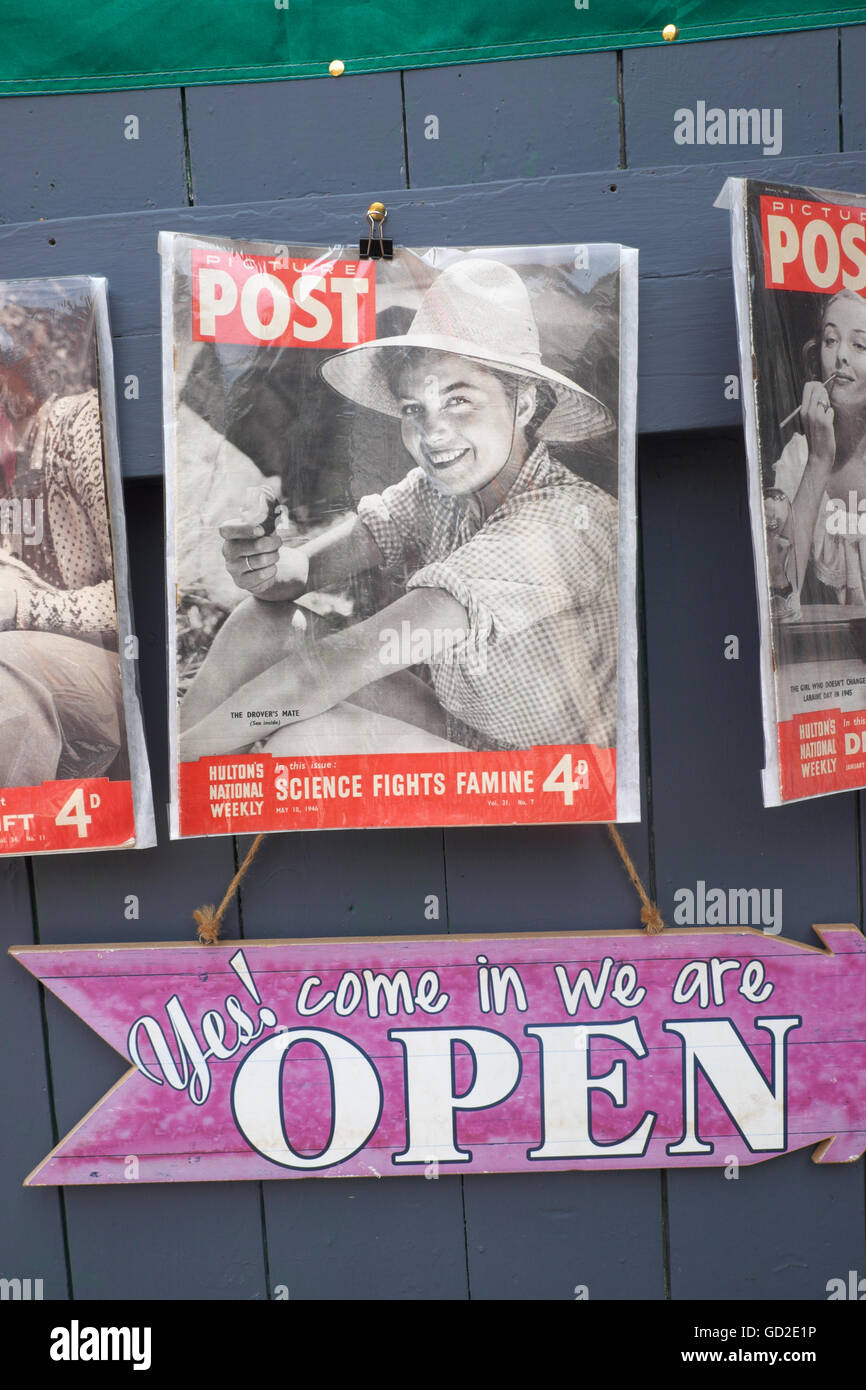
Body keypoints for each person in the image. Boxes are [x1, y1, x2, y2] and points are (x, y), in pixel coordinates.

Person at [178, 258, 619, 760]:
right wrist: (261, 560)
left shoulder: (559, 523)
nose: (433, 433)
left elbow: (333, 668)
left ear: (523, 404)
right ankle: (168, 776)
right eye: (414, 409)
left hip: (545, 777)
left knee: (308, 736)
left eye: (458, 400)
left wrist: (187, 758)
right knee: (260, 623)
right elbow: (297, 575)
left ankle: (174, 775)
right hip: (464, 732)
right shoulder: (439, 494)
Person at [0, 332, 124, 787]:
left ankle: (22, 822)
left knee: (6, 662)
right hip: (36, 679)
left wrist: (24, 607)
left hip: (123, 675)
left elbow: (145, 597)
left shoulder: (81, 427)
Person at [773, 288, 866, 606]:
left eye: (859, 344)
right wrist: (818, 460)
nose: (841, 356)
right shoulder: (798, 457)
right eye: (831, 340)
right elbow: (782, 593)